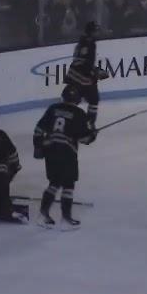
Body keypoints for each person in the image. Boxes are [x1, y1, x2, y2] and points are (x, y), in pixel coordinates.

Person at [33, 85, 97, 228]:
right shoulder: (79, 113)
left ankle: (43, 214)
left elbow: (39, 129)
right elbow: (85, 138)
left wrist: (38, 145)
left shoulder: (53, 108)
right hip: (67, 152)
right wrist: (93, 134)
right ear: (77, 99)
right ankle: (66, 219)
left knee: (54, 182)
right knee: (68, 184)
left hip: (50, 149)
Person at [63, 21, 108, 127]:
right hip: (82, 75)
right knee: (93, 99)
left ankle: (65, 121)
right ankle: (89, 124)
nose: (98, 34)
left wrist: (94, 70)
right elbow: (86, 62)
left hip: (75, 74)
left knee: (73, 100)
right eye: (96, 31)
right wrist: (95, 72)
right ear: (92, 32)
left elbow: (82, 61)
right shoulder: (90, 43)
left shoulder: (82, 41)